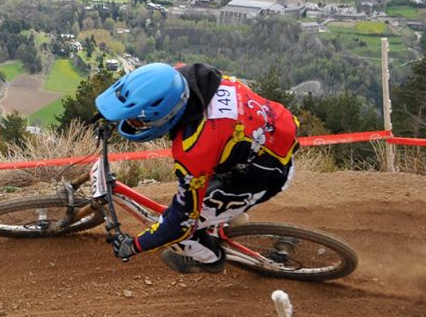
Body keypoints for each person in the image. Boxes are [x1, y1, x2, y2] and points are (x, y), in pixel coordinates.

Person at [95, 62, 300, 274]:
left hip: (264, 174)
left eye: (137, 121)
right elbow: (145, 90)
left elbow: (180, 221)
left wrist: (136, 245)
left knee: (179, 237)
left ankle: (211, 259)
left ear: (164, 116)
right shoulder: (185, 77)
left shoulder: (195, 149)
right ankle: (230, 216)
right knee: (201, 197)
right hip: (273, 128)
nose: (132, 123)